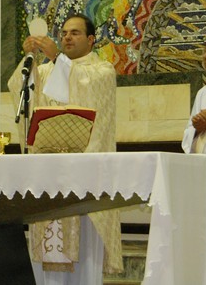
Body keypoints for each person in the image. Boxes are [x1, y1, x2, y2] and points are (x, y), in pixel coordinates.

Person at [8, 14, 122, 284]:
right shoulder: (47, 70)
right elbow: (20, 90)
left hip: (84, 179)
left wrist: (58, 57)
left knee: (84, 265)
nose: (67, 37)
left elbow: (84, 87)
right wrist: (30, 59)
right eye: (64, 33)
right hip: (49, 174)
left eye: (75, 33)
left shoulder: (102, 71)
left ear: (91, 39)